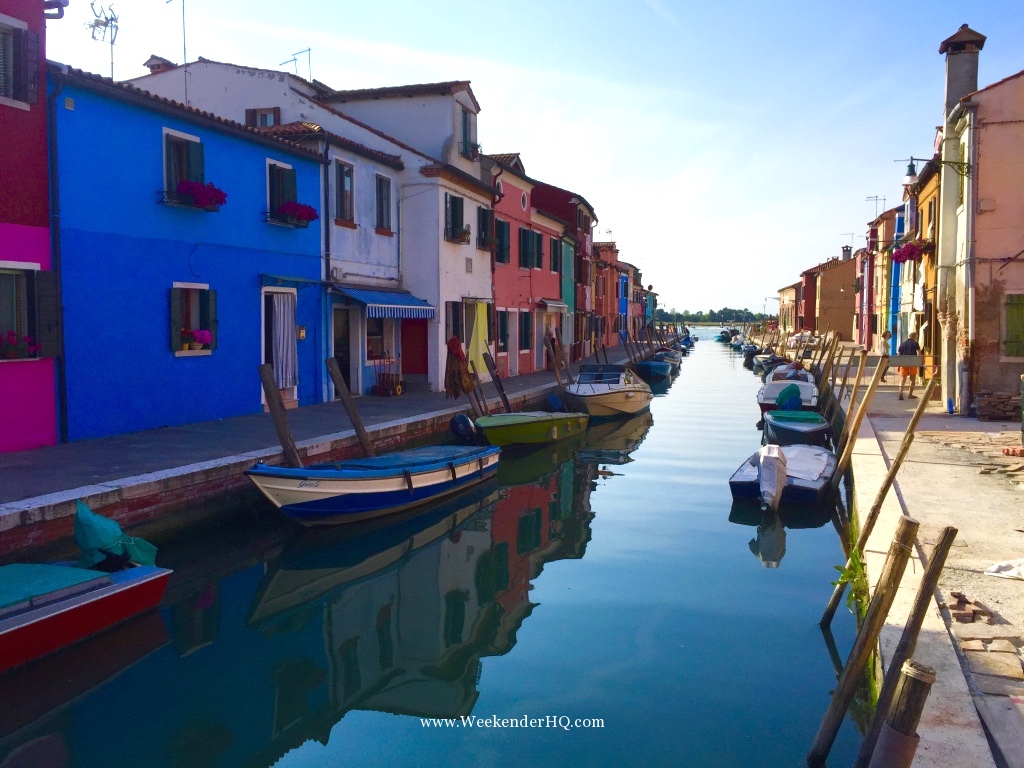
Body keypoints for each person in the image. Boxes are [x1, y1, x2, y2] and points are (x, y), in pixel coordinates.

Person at [897, 332, 921, 400]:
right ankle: (910, 394)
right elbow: (918, 353)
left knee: (903, 379)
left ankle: (901, 393)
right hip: (913, 363)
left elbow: (899, 355)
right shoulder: (915, 344)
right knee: (912, 379)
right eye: (916, 337)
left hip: (904, 363)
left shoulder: (902, 344)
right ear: (914, 337)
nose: (916, 338)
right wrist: (919, 361)